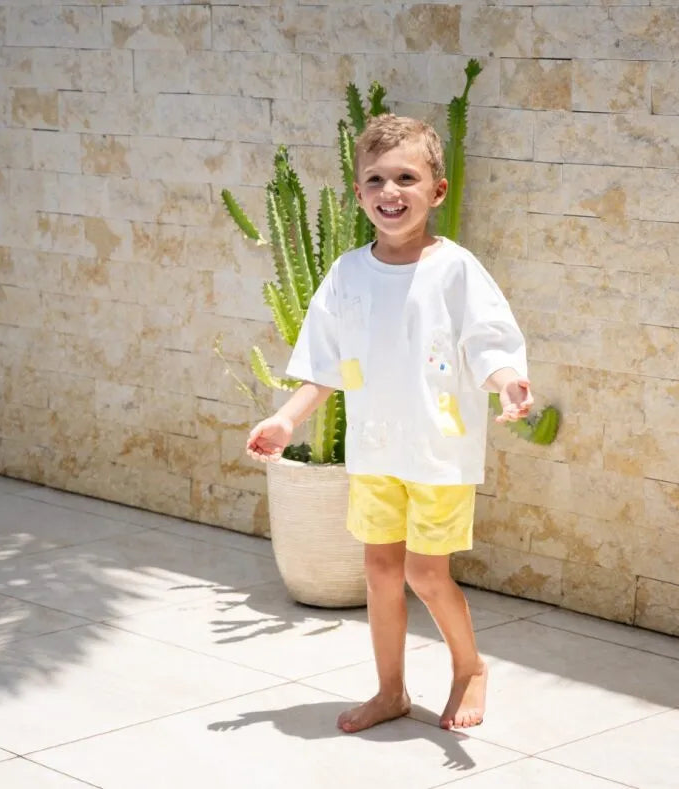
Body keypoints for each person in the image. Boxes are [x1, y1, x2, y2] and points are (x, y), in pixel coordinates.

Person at [245, 114, 532, 733]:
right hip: (376, 452)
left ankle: (470, 667)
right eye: (375, 178)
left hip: (437, 453)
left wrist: (509, 382)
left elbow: (488, 344)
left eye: (406, 176)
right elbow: (326, 363)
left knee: (425, 573)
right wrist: (286, 418)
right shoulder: (348, 274)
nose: (390, 191)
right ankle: (390, 690)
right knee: (379, 570)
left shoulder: (456, 271)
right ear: (358, 194)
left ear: (437, 190)